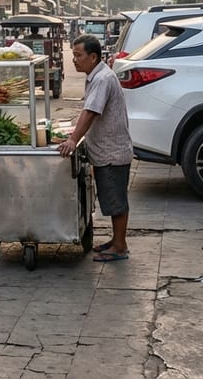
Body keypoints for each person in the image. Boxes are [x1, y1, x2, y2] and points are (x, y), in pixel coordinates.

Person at [57, 34, 132, 263]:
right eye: (74, 55)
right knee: (112, 197)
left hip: (112, 151)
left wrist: (73, 139)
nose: (74, 60)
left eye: (78, 56)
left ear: (93, 56)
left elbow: (91, 112)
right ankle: (117, 240)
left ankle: (120, 246)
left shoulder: (102, 79)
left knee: (115, 200)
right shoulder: (96, 75)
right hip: (106, 149)